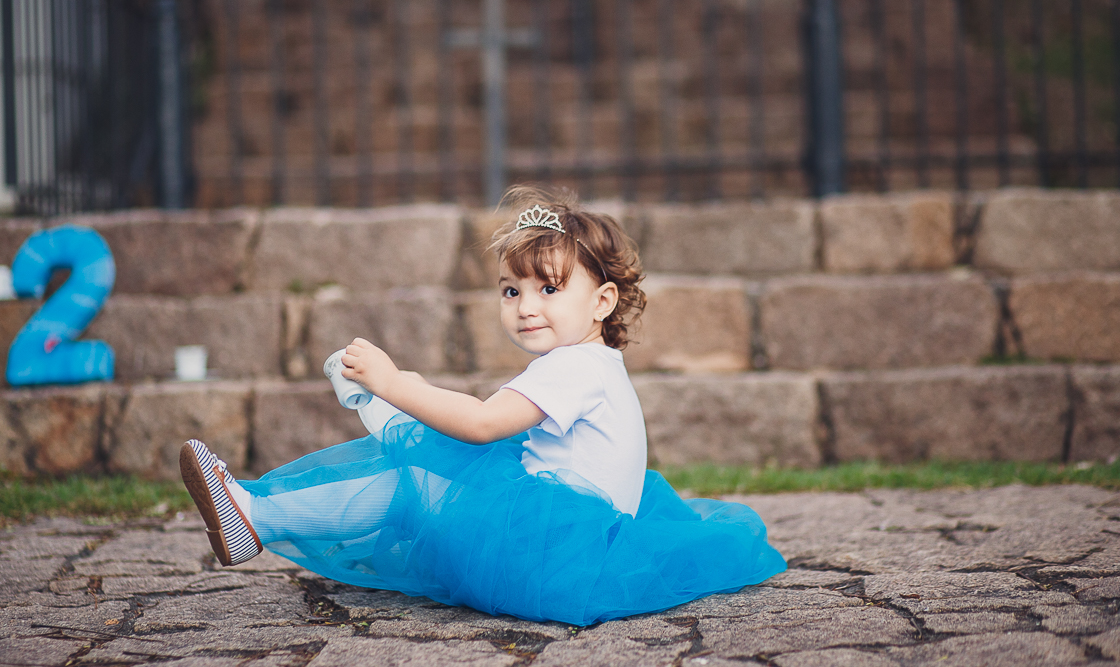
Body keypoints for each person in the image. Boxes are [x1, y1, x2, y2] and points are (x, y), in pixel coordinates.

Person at [180, 186, 786, 625]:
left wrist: (394, 383)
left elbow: (479, 424)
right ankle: (286, 487)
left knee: (414, 485)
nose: (526, 305)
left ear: (602, 302)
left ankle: (261, 510)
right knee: (431, 471)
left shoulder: (574, 368)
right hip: (564, 546)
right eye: (511, 290)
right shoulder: (590, 365)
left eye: (549, 289)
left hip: (552, 556)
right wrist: (406, 392)